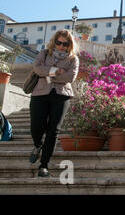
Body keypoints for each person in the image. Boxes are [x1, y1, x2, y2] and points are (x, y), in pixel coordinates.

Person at [29, 30, 79, 177]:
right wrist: (56, 72)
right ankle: (38, 145)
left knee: (53, 131)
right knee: (36, 127)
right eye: (59, 43)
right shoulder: (44, 53)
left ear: (70, 44)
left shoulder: (73, 59)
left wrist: (48, 74)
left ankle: (43, 166)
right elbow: (37, 69)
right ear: (54, 42)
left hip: (62, 95)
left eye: (65, 44)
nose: (61, 46)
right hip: (40, 94)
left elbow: (70, 77)